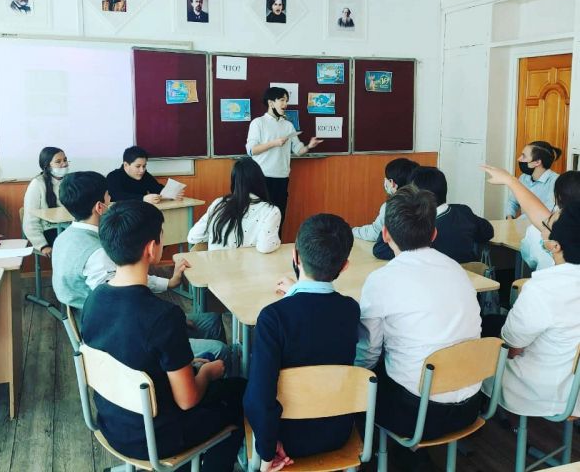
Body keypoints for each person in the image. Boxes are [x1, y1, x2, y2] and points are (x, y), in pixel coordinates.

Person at [81, 200, 245, 469]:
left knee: (204, 358)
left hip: (113, 422)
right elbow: (187, 400)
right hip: (156, 437)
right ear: (151, 248)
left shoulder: (94, 299)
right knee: (242, 393)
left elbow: (130, 355)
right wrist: (206, 373)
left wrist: (192, 366)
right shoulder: (164, 317)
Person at [356, 186, 482, 451]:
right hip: (471, 406)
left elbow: (368, 355)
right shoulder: (456, 269)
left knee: (364, 373)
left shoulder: (381, 280)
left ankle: (384, 454)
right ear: (434, 233)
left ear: (385, 234)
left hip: (416, 416)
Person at [52, 171, 228, 360]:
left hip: (100, 323)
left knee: (212, 320)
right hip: (121, 337)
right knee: (220, 349)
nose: (112, 200)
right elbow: (123, 303)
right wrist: (172, 323)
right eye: (108, 196)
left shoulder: (64, 237)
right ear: (100, 207)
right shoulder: (97, 254)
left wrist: (168, 284)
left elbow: (126, 281)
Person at [244, 214, 360, 471]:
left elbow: (259, 398)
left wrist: (266, 453)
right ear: (344, 266)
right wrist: (297, 290)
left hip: (285, 438)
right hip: (337, 433)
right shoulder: (351, 310)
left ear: (295, 256)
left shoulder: (273, 318)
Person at [485, 199, 580, 418]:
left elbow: (511, 347)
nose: (541, 227)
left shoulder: (541, 289)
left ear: (555, 246)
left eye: (545, 225)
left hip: (541, 392)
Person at [373, 166, 494, 262]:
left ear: (417, 196)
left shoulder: (417, 225)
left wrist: (395, 205)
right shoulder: (463, 211)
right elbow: (488, 232)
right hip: (468, 280)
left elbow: (380, 250)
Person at [246, 87, 323, 234]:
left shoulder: (288, 125)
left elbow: (298, 150)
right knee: (259, 220)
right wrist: (274, 143)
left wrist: (309, 146)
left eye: (286, 100)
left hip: (281, 179)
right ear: (271, 103)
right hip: (261, 178)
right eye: (282, 100)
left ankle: (275, 245)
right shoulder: (258, 123)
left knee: (278, 219)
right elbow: (251, 150)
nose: (285, 104)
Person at [187, 157, 280, 253]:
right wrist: (276, 242)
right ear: (260, 181)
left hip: (215, 262)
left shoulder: (219, 203)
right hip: (249, 263)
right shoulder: (270, 211)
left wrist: (216, 234)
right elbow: (265, 247)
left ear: (234, 181)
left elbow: (193, 237)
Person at [352, 157, 419, 241]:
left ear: (392, 183)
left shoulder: (392, 206)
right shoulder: (425, 201)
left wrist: (353, 231)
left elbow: (375, 233)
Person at [22, 146, 69, 256]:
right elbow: (30, 220)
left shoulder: (70, 181)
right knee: (70, 247)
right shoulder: (37, 184)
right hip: (48, 230)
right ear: (47, 165)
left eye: (65, 160)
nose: (64, 164)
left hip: (68, 228)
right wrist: (42, 245)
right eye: (58, 161)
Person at [107, 145, 184, 203]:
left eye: (144, 166)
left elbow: (157, 188)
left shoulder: (145, 175)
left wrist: (172, 194)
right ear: (126, 165)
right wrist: (143, 198)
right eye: (138, 166)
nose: (142, 170)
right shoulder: (113, 176)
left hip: (141, 212)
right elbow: (116, 196)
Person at [505, 140, 561, 219]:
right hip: (521, 223)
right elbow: (513, 201)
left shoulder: (556, 182)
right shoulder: (524, 177)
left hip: (540, 225)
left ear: (537, 162)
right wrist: (509, 217)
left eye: (524, 156)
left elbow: (547, 215)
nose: (519, 159)